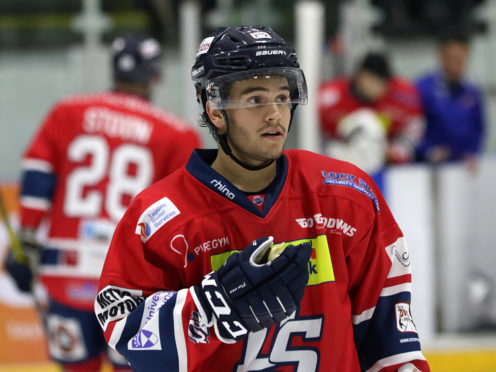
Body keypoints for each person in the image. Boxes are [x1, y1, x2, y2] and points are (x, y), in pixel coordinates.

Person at [95, 26, 430, 371]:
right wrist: (214, 307)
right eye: (256, 99)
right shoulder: (161, 218)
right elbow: (125, 336)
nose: (275, 114)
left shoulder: (345, 196)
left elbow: (391, 341)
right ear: (214, 110)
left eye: (283, 97)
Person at [6, 34, 202, 372]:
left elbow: (38, 175)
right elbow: (186, 212)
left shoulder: (68, 111)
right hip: (129, 278)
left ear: (113, 70)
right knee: (134, 365)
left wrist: (24, 238)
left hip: (63, 269)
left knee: (77, 366)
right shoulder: (176, 133)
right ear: (155, 75)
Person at [318, 51, 424, 187]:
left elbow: (414, 131)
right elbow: (314, 134)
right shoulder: (330, 97)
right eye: (375, 81)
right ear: (361, 76)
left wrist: (397, 151)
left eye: (384, 82)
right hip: (339, 173)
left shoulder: (403, 97)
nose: (381, 88)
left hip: (385, 174)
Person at [415, 33, 485, 172]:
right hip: (427, 168)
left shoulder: (472, 90)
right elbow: (412, 128)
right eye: (454, 59)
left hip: (462, 168)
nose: (458, 65)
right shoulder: (423, 88)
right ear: (442, 57)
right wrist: (428, 150)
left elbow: (479, 128)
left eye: (462, 60)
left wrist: (472, 152)